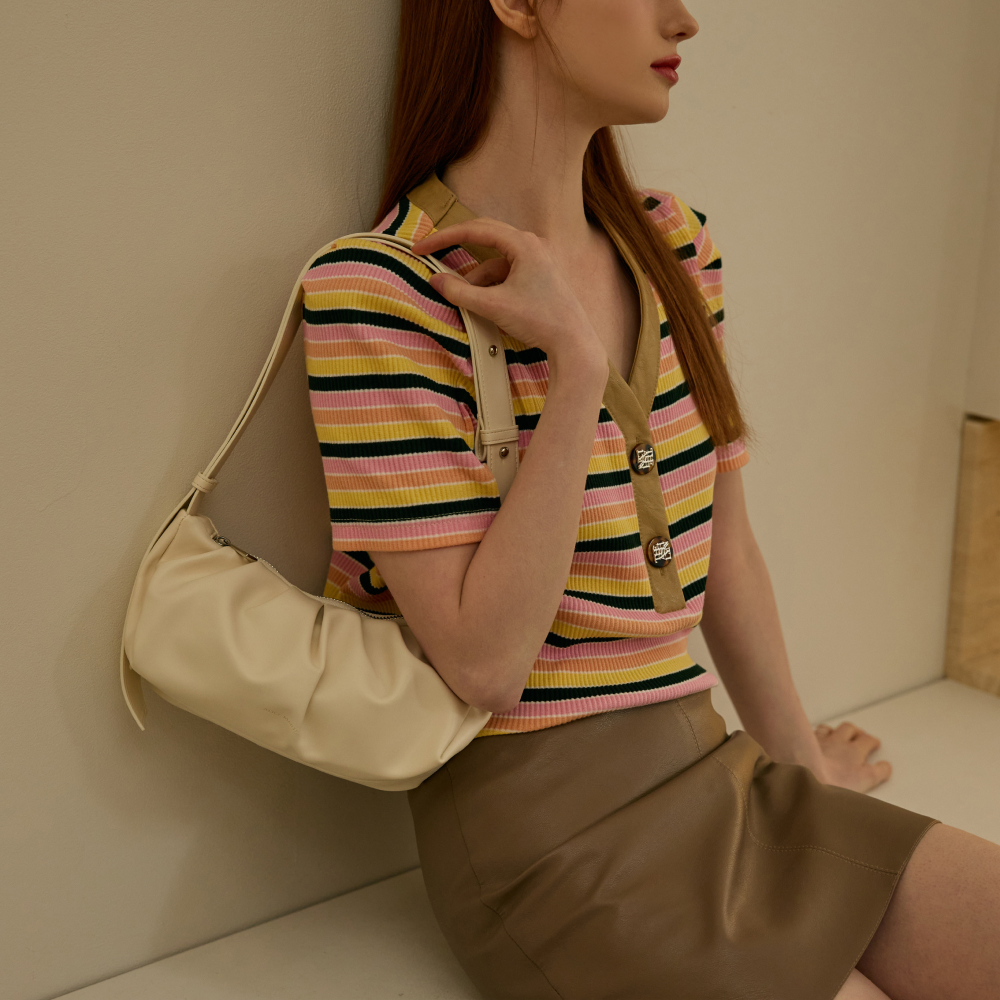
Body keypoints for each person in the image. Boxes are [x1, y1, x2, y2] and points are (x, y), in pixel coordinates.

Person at [303, 2, 1000, 997]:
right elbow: (485, 664)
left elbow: (728, 556)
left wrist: (804, 779)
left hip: (718, 774)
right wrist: (575, 369)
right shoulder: (380, 292)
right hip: (552, 853)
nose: (684, 19)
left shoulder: (674, 246)